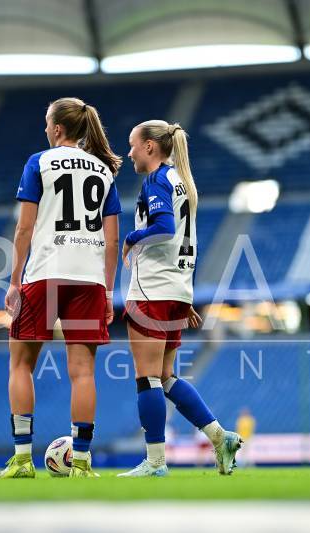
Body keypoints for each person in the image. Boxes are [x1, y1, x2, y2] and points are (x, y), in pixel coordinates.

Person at [0, 97, 122, 479]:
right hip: (89, 278)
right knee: (83, 372)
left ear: (56, 129)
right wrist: (107, 292)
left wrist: (14, 280)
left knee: (21, 364)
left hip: (45, 273)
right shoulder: (103, 170)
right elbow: (113, 240)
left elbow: (24, 228)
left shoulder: (39, 162)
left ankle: (22, 459)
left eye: (46, 123)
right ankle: (81, 462)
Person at [117, 120, 242, 477]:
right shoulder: (181, 181)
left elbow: (164, 228)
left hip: (152, 289)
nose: (130, 153)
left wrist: (130, 238)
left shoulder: (156, 180)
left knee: (147, 378)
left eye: (133, 145)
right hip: (176, 289)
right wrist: (182, 296)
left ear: (150, 147)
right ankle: (220, 437)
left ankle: (156, 462)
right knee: (165, 376)